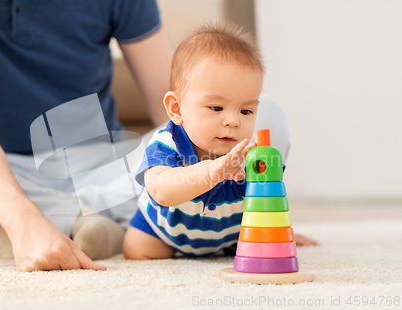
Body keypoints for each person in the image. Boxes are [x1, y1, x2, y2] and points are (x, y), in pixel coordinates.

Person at [0, 0, 172, 272]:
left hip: (98, 172)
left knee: (193, 141)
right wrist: (21, 218)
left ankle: (67, 220)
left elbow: (173, 112)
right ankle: (70, 218)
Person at [122, 23, 318, 260]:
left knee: (255, 245)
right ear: (177, 109)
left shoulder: (252, 153)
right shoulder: (167, 143)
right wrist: (213, 171)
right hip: (165, 231)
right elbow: (161, 191)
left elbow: (269, 195)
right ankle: (109, 232)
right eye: (216, 107)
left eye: (246, 111)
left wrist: (275, 230)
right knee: (136, 249)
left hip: (231, 235)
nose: (233, 121)